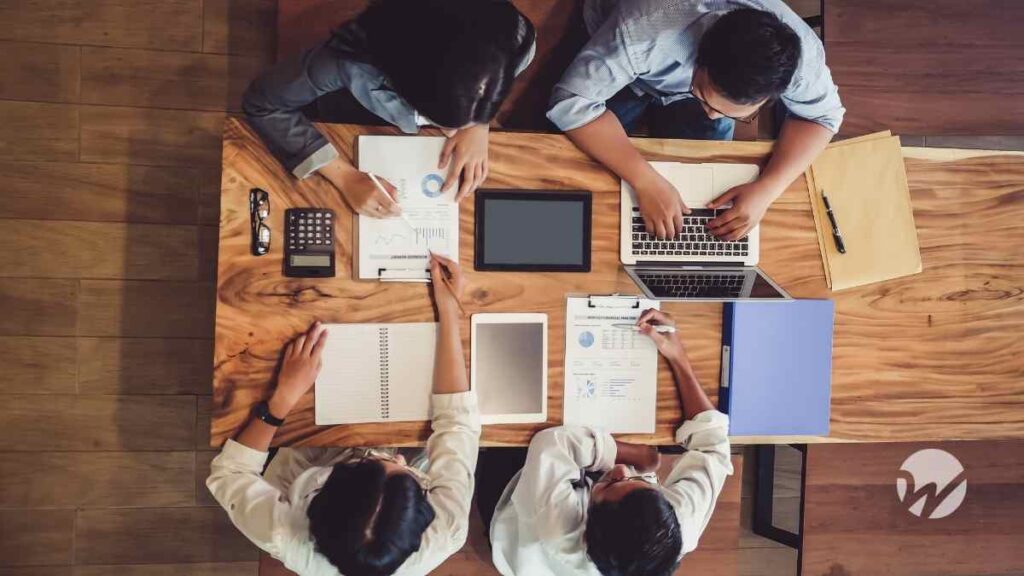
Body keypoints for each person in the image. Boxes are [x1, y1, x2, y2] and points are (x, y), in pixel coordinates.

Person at [207, 253, 478, 576]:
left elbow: (229, 474)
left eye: (372, 462)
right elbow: (457, 422)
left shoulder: (284, 534)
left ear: (321, 499)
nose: (399, 460)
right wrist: (449, 310)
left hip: (311, 455)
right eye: (407, 479)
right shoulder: (445, 531)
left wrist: (282, 399)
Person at [548, 0, 845, 241]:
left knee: (704, 191)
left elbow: (823, 117)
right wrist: (644, 179)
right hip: (628, 62)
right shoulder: (642, 30)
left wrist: (768, 189)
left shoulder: (801, 60)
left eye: (732, 113)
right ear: (699, 57)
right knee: (569, 168)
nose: (711, 115)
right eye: (704, 97)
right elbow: (571, 102)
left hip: (670, 72)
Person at [484, 309, 733, 576]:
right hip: (579, 496)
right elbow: (713, 445)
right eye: (645, 483)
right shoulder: (676, 525)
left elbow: (551, 444)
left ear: (587, 524)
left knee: (508, 431)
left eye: (612, 483)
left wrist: (639, 458)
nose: (622, 470)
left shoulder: (558, 530)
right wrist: (678, 357)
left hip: (516, 519)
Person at [242, 0, 536, 216]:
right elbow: (262, 104)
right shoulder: (344, 63)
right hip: (351, 110)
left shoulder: (515, 37)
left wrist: (478, 124)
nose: (450, 133)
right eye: (444, 121)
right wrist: (345, 176)